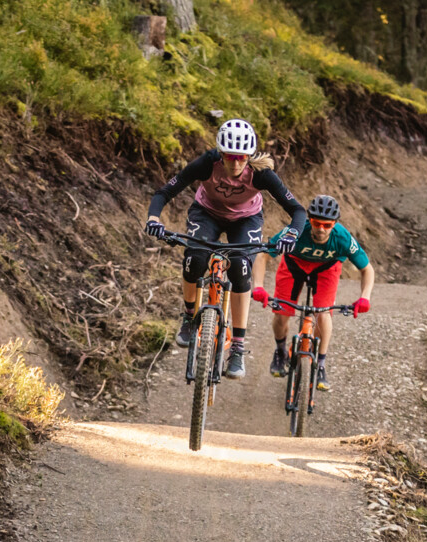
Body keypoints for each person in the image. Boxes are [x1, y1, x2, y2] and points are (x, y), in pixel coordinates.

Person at [145, 119, 306, 379]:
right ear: (221, 154)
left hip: (246, 219)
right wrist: (154, 219)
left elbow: (297, 210)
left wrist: (292, 233)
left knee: (242, 268)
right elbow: (164, 192)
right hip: (206, 213)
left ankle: (238, 348)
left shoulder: (261, 173)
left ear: (249, 155)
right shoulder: (207, 163)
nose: (235, 164)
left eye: (241, 158)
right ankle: (188, 317)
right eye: (230, 157)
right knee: (195, 257)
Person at [251, 194, 374, 391]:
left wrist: (365, 297)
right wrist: (258, 286)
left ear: (334, 224)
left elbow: (367, 269)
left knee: (323, 313)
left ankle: (321, 364)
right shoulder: (296, 230)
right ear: (309, 219)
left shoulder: (342, 237)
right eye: (317, 223)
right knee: (282, 312)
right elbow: (264, 254)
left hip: (326, 269)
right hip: (293, 265)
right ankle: (280, 350)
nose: (321, 229)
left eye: (327, 225)